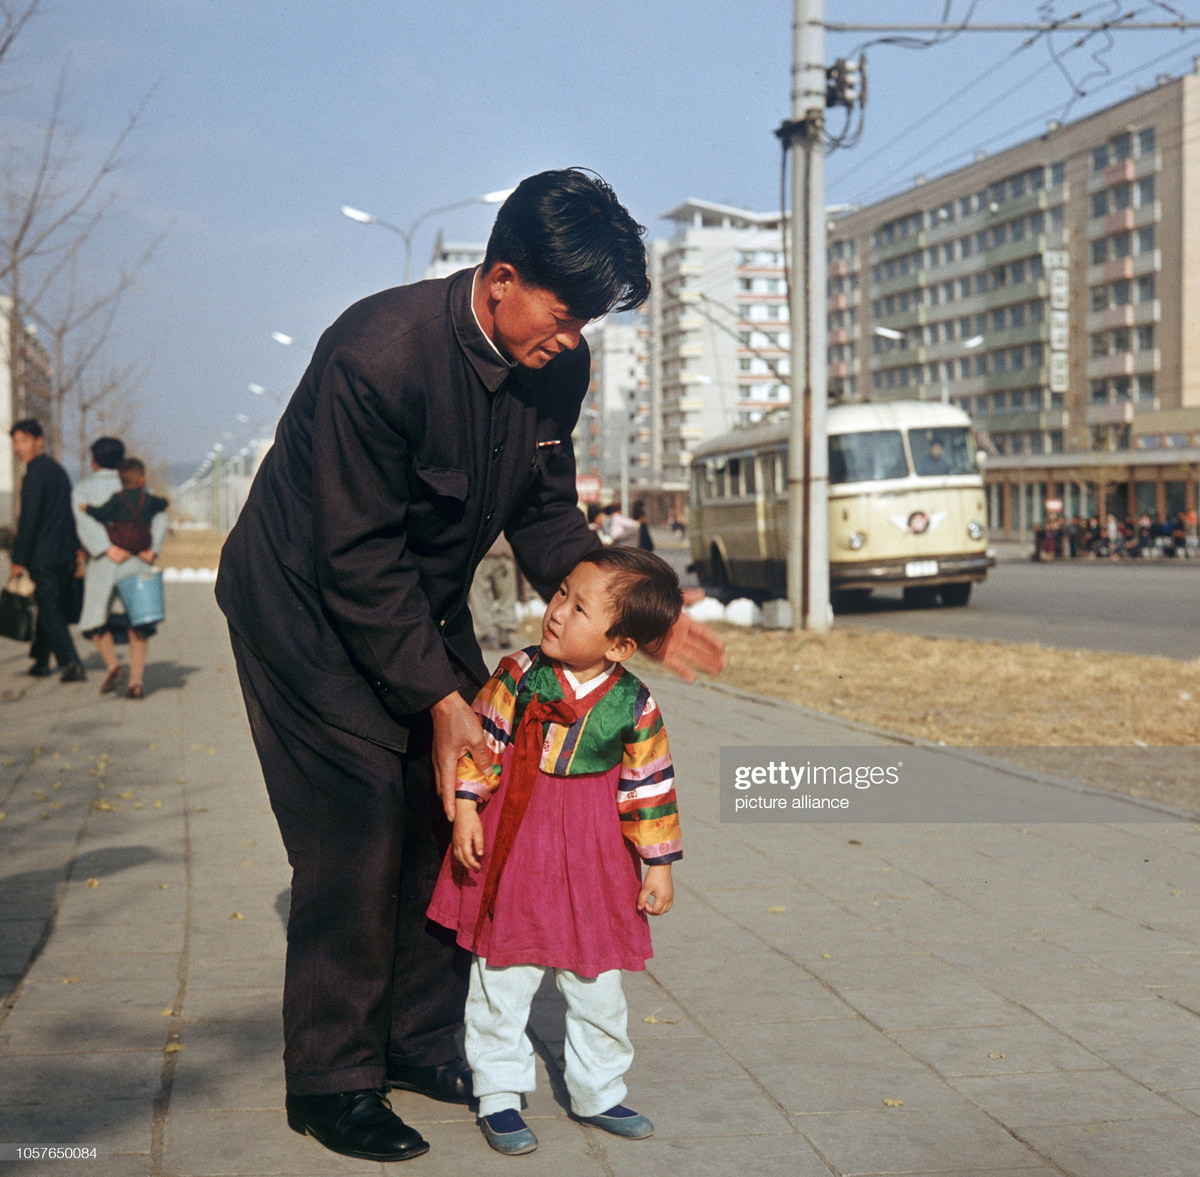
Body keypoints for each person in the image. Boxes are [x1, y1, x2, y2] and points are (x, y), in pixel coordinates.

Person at [215, 168, 724, 1164]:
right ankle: (331, 1079)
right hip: (302, 605)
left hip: (413, 598)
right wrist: (441, 699)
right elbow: (353, 557)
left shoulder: (555, 368)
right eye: (566, 309)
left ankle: (417, 1038)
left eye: (592, 318)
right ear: (500, 278)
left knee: (454, 803)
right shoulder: (379, 354)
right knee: (356, 821)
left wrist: (639, 611)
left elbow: (541, 514)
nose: (574, 335)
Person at [427, 547, 681, 1156]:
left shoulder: (634, 703)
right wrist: (465, 808)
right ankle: (498, 1094)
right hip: (520, 842)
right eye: (561, 592)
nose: (558, 611)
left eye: (579, 607)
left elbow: (649, 784)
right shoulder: (519, 674)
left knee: (596, 977)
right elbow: (480, 746)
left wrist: (658, 865)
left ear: (619, 646)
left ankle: (599, 1090)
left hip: (595, 854)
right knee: (504, 974)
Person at [73, 439, 168, 698]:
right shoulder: (138, 487)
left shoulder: (83, 489)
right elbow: (158, 517)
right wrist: (153, 548)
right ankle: (136, 682)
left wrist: (106, 548)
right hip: (137, 561)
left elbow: (85, 522)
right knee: (138, 620)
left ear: (94, 460)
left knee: (96, 619)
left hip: (104, 563)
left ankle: (114, 665)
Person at [8, 418, 86, 682]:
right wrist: (75, 547)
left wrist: (18, 558)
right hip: (62, 552)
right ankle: (41, 661)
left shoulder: (34, 475)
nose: (19, 447)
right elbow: (67, 513)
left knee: (51, 609)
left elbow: (29, 520)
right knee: (48, 604)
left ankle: (71, 663)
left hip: (43, 555)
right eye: (15, 442)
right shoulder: (57, 471)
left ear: (38, 440)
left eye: (23, 441)